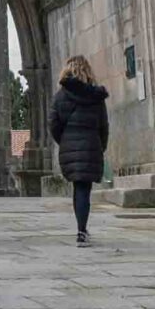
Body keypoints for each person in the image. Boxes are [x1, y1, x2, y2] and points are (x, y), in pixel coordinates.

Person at [51, 56, 110, 248]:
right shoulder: (96, 96)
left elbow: (53, 124)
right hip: (91, 144)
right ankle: (82, 230)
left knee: (78, 188)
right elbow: (103, 125)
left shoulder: (60, 96)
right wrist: (101, 145)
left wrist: (64, 141)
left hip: (69, 146)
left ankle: (81, 229)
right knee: (85, 189)